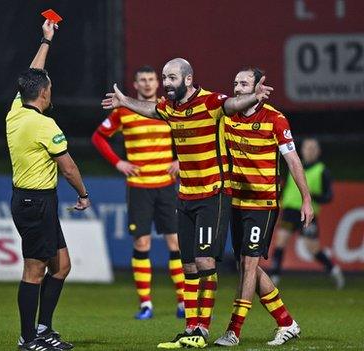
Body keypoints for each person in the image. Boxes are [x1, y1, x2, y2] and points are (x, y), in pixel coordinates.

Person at [102, 58, 273, 348]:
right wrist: (124, 101)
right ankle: (190, 327)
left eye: (171, 78)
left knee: (206, 261)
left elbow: (230, 104)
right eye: (164, 78)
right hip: (186, 196)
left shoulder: (209, 101)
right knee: (189, 266)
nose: (166, 83)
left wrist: (252, 97)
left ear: (188, 79)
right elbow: (151, 110)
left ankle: (202, 331)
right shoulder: (170, 108)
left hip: (212, 194)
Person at [213, 68, 312, 347]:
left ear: (258, 88)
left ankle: (234, 330)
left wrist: (306, 199)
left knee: (249, 263)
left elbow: (293, 161)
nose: (237, 87)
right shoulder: (227, 116)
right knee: (247, 265)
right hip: (236, 201)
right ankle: (286, 322)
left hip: (263, 203)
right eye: (235, 82)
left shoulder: (275, 119)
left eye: (244, 83)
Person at [7, 20, 90, 351]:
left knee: (62, 266)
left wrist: (46, 41)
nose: (50, 90)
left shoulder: (16, 111)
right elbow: (68, 167)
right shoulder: (44, 124)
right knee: (34, 270)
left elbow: (31, 75)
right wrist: (83, 194)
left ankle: (43, 328)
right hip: (34, 203)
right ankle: (28, 339)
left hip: (38, 201)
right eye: (49, 87)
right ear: (43, 93)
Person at [91, 65, 184, 320]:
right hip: (139, 188)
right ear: (135, 84)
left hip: (166, 185)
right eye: (142, 80)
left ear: (157, 83)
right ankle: (146, 304)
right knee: (141, 244)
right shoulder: (124, 111)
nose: (146, 84)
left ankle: (182, 302)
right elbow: (98, 137)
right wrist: (118, 162)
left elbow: (189, 134)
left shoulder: (168, 108)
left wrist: (180, 160)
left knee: (175, 243)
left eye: (151, 79)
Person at [270, 138, 344, 288]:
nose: (309, 151)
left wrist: (311, 197)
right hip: (290, 210)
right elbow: (286, 188)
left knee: (312, 248)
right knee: (281, 241)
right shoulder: (293, 165)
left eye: (313, 148)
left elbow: (328, 196)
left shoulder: (322, 171)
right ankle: (275, 275)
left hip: (308, 213)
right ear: (301, 150)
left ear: (318, 152)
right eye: (307, 147)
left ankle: (334, 270)